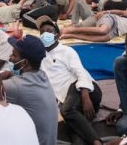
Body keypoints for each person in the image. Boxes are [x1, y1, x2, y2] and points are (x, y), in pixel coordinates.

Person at [36, 16, 102, 145]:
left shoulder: (66, 51)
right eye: (42, 32)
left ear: (56, 35)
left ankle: (97, 142)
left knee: (67, 110)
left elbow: (80, 72)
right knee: (76, 134)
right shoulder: (41, 57)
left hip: (86, 91)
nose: (45, 34)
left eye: (49, 31)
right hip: (70, 102)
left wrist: (85, 97)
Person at [3, 35, 59, 145]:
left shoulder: (16, 86)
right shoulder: (43, 75)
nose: (10, 57)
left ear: (24, 63)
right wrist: (11, 74)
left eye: (14, 55)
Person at [61, 6, 127, 42]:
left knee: (103, 38)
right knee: (103, 30)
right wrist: (106, 12)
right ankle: (71, 29)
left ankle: (71, 35)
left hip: (116, 32)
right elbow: (122, 12)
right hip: (113, 20)